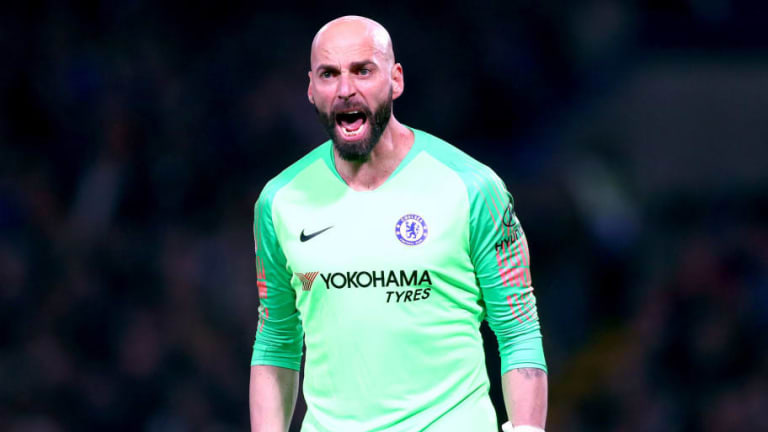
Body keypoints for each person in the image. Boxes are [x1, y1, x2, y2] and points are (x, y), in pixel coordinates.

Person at [249, 16, 547, 432]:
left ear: (396, 79)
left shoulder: (473, 188)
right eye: (329, 74)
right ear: (311, 89)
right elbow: (276, 342)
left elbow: (517, 330)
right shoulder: (280, 202)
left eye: (362, 70)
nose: (345, 89)